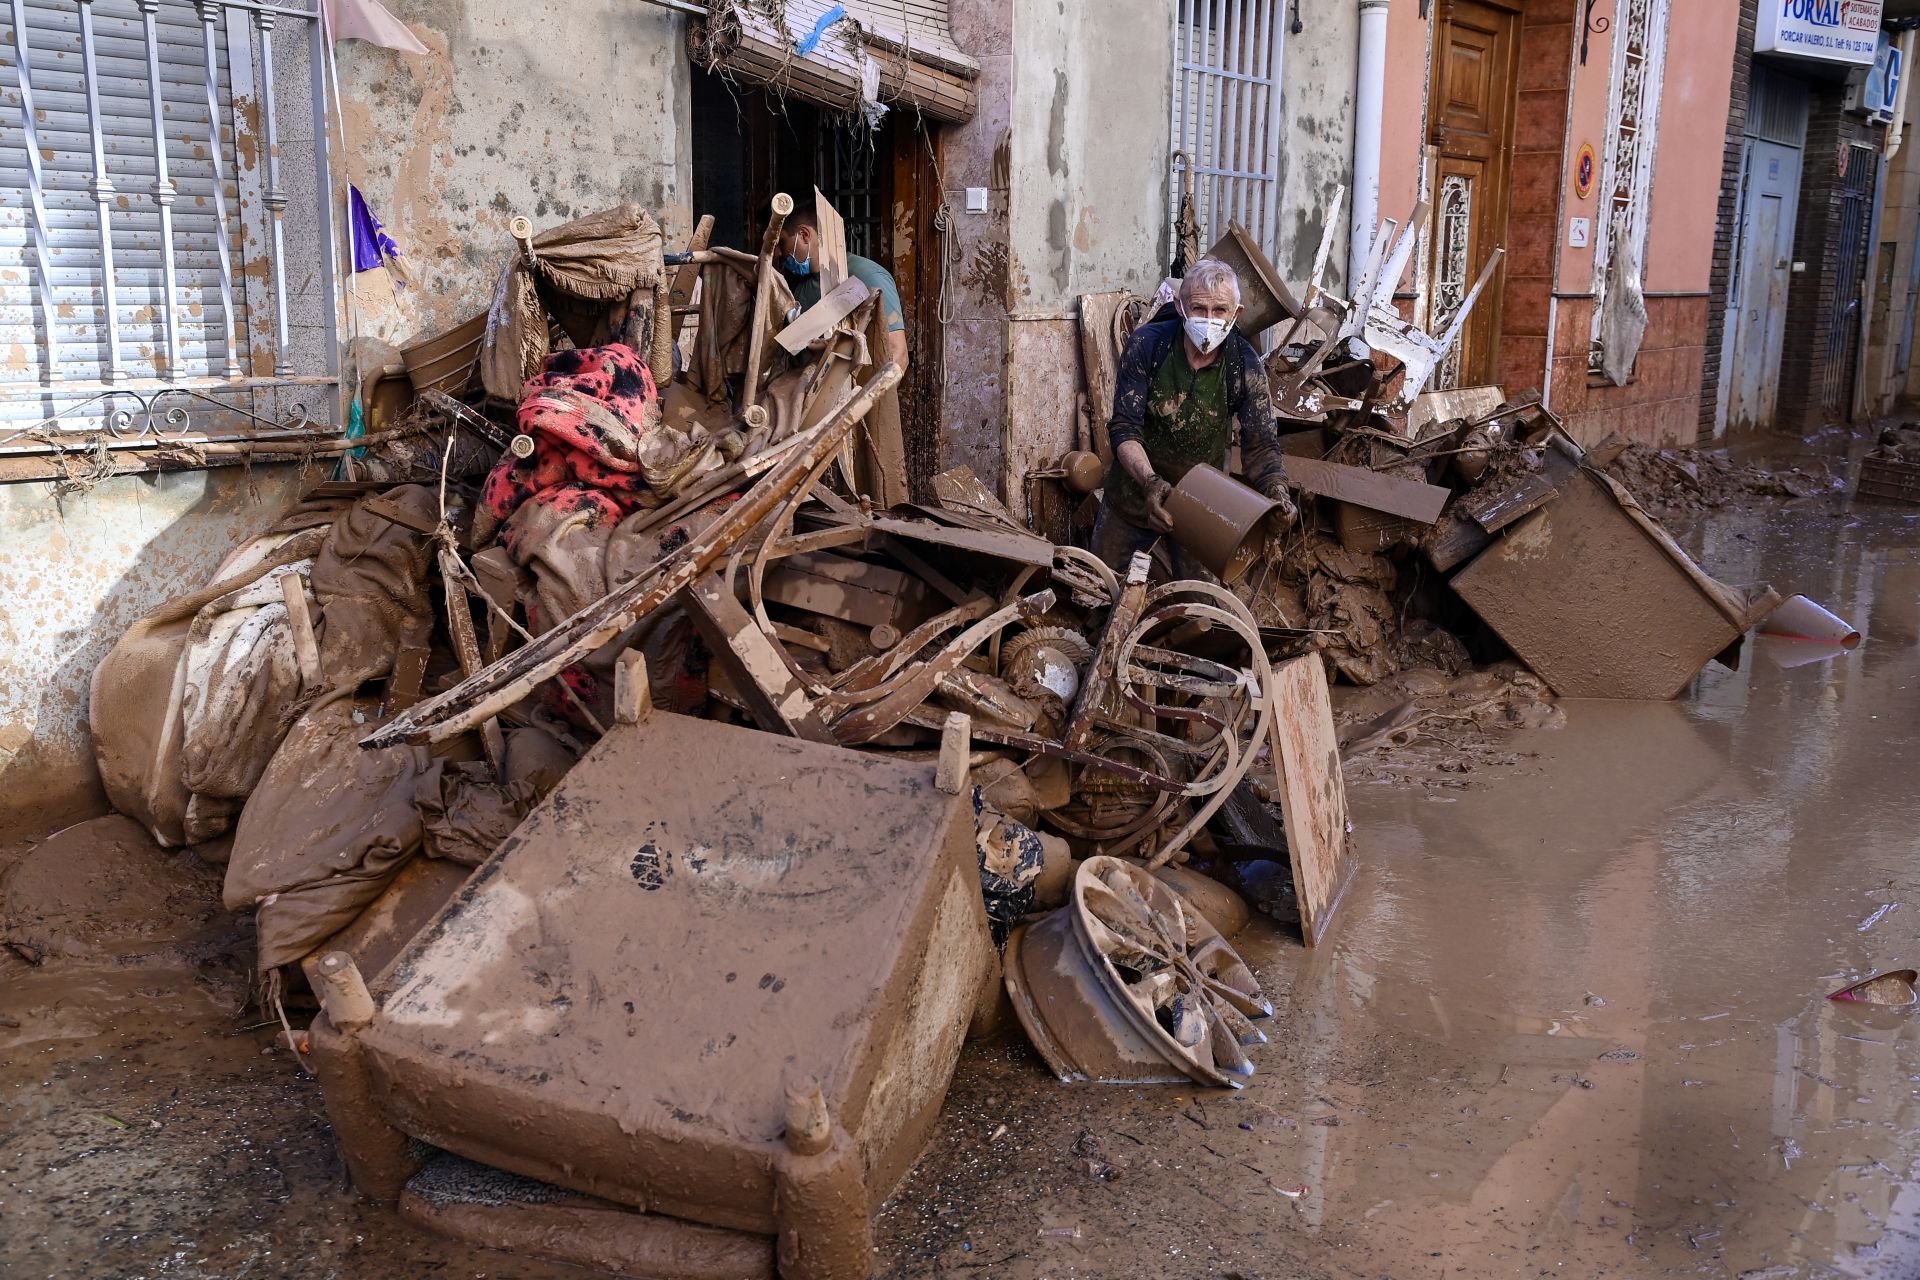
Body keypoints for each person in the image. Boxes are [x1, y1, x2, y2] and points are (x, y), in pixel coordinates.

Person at [1098, 258, 1300, 574]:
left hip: (1204, 506)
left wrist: (1277, 491)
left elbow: (1261, 447)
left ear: (1237, 314)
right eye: (1198, 309)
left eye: (1220, 310)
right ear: (1180, 307)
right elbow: (1124, 429)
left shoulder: (1245, 366)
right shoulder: (1147, 345)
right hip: (1134, 495)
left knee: (1198, 608)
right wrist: (1150, 482)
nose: (1209, 320)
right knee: (1103, 590)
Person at [776, 200, 910, 374]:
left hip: (856, 396)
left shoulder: (868, 276)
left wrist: (865, 400)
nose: (779, 252)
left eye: (782, 242)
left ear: (804, 235)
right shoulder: (801, 290)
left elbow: (897, 355)